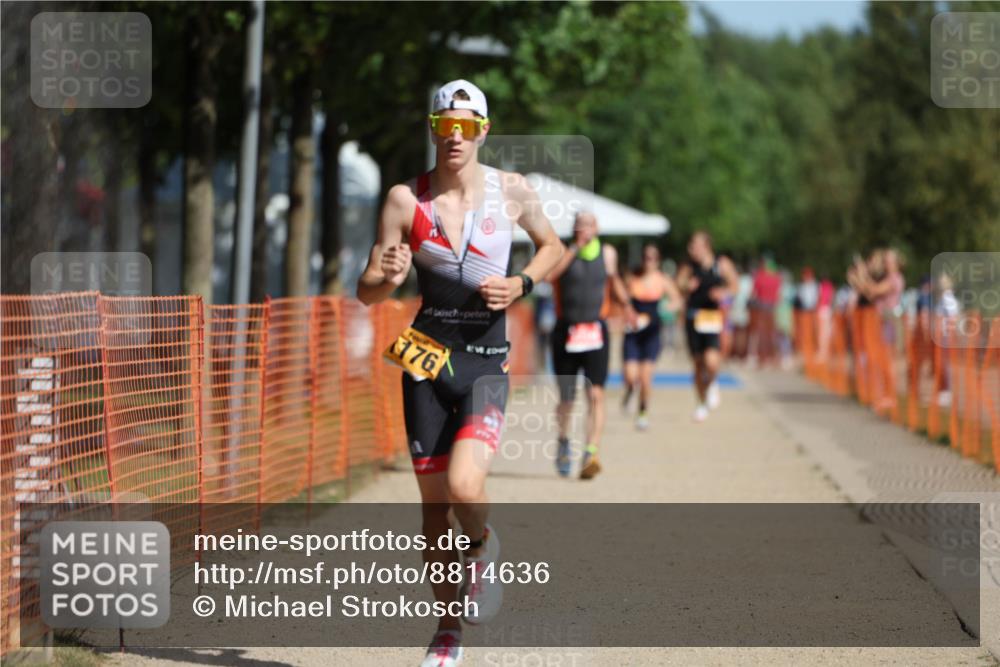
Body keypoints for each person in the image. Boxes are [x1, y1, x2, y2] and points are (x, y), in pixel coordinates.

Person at [356, 79, 562, 667]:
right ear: (433, 128)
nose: (455, 135)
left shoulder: (511, 191)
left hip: (485, 363)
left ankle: (482, 544)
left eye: (466, 127)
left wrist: (522, 282)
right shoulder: (405, 199)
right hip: (423, 360)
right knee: (430, 513)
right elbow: (367, 291)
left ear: (482, 132)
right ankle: (448, 633)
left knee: (465, 490)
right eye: (445, 124)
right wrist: (386, 277)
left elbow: (551, 248)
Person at [547, 211, 634, 479]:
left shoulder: (607, 253)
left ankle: (591, 451)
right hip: (566, 331)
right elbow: (550, 275)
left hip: (596, 331)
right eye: (579, 225)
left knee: (596, 394)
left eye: (588, 225)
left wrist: (627, 305)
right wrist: (575, 249)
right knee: (567, 398)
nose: (584, 229)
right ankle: (563, 443)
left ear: (597, 228)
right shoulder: (562, 250)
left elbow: (614, 283)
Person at [676, 231, 739, 422]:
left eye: (694, 245)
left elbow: (735, 286)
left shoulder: (721, 263)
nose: (691, 249)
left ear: (706, 246)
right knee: (697, 363)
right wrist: (688, 285)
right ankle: (701, 403)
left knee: (711, 360)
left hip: (711, 317)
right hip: (692, 318)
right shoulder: (689, 266)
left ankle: (712, 382)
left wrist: (723, 293)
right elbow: (678, 284)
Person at [621, 243, 682, 430]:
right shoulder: (633, 278)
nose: (649, 261)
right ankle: (630, 391)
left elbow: (677, 300)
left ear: (658, 260)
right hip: (633, 333)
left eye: (653, 258)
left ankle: (642, 411)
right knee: (631, 377)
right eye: (646, 257)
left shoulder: (662, 280)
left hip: (652, 334)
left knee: (646, 378)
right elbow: (621, 300)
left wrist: (666, 308)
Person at [750, 256, 782, 367]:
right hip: (772, 307)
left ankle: (763, 357)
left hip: (761, 307)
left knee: (762, 334)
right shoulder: (776, 277)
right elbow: (779, 294)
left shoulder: (759, 276)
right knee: (771, 334)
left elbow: (753, 293)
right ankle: (772, 357)